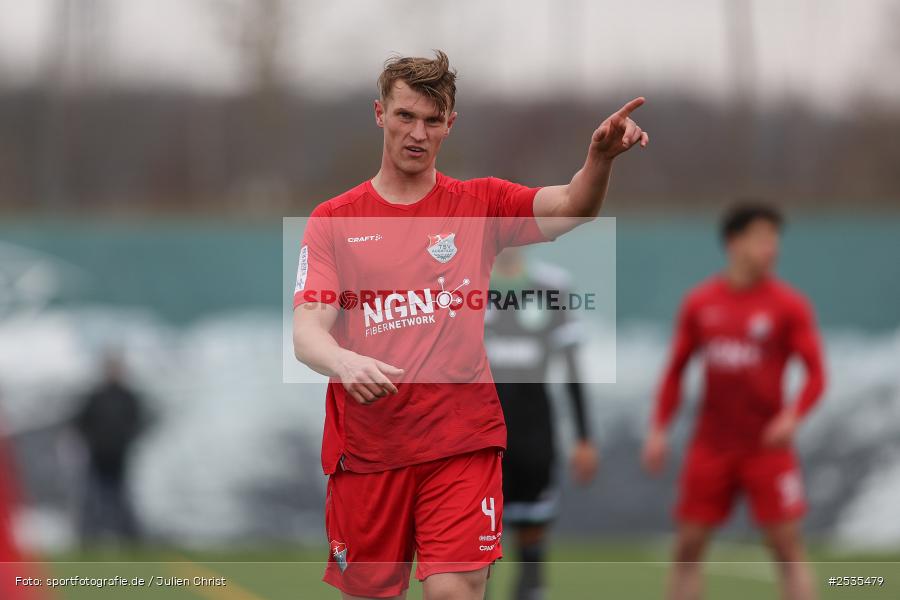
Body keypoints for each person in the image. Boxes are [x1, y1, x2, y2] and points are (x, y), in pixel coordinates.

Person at [292, 50, 647, 600]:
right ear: (379, 113)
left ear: (450, 124)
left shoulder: (480, 203)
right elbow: (308, 330)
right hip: (368, 453)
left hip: (461, 444)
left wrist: (599, 160)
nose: (418, 132)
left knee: (454, 592)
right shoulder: (333, 220)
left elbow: (573, 204)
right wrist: (344, 360)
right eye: (406, 116)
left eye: (433, 120)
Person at [641, 202, 826, 600]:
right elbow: (676, 370)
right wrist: (658, 429)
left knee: (787, 549)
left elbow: (816, 374)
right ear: (734, 242)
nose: (771, 249)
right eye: (762, 239)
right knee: (688, 549)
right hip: (711, 446)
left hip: (767, 449)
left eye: (774, 240)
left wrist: (794, 416)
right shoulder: (701, 303)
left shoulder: (788, 306)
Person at [485, 247, 599, 600]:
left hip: (534, 433)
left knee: (531, 542)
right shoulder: (461, 286)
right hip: (478, 439)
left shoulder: (552, 285)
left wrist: (583, 437)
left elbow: (572, 368)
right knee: (476, 552)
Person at [73, 352, 146, 544]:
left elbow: (138, 422)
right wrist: (92, 441)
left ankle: (130, 539)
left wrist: (126, 439)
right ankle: (89, 540)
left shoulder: (128, 397)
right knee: (93, 498)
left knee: (121, 498)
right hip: (98, 455)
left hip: (120, 456)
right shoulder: (96, 397)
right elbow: (80, 422)